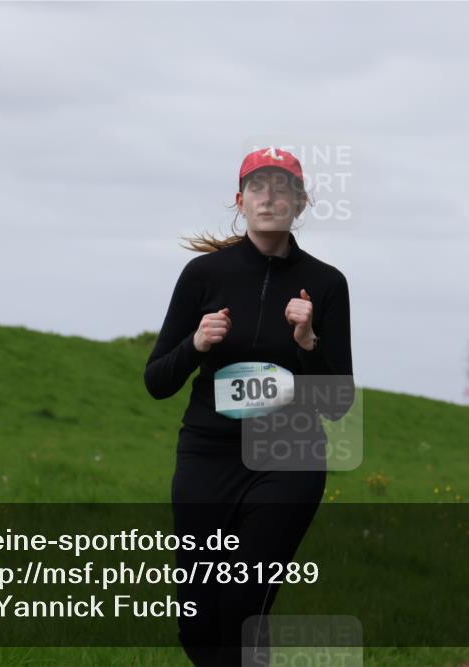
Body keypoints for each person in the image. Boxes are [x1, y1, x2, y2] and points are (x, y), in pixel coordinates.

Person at [144, 146, 354, 666]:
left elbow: (338, 403)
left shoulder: (327, 284)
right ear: (240, 201)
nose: (270, 197)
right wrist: (196, 344)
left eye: (283, 188)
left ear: (301, 203)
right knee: (198, 624)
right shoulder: (203, 276)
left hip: (290, 457)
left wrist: (307, 340)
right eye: (259, 187)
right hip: (208, 455)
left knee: (241, 609)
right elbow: (156, 382)